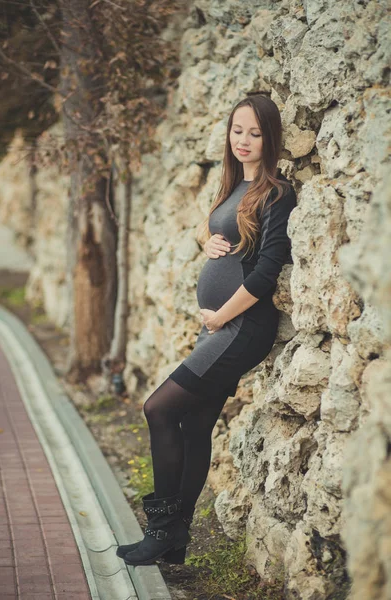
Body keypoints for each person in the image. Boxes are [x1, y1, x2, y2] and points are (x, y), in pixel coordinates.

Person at [116, 94, 297, 567]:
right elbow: (215, 228)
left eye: (255, 133)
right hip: (219, 329)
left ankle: (161, 530)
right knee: (195, 425)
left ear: (271, 138)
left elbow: (265, 272)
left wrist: (220, 317)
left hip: (240, 328)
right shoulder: (234, 185)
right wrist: (205, 236)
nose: (244, 140)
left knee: (157, 408)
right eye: (238, 130)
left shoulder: (277, 193)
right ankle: (175, 541)